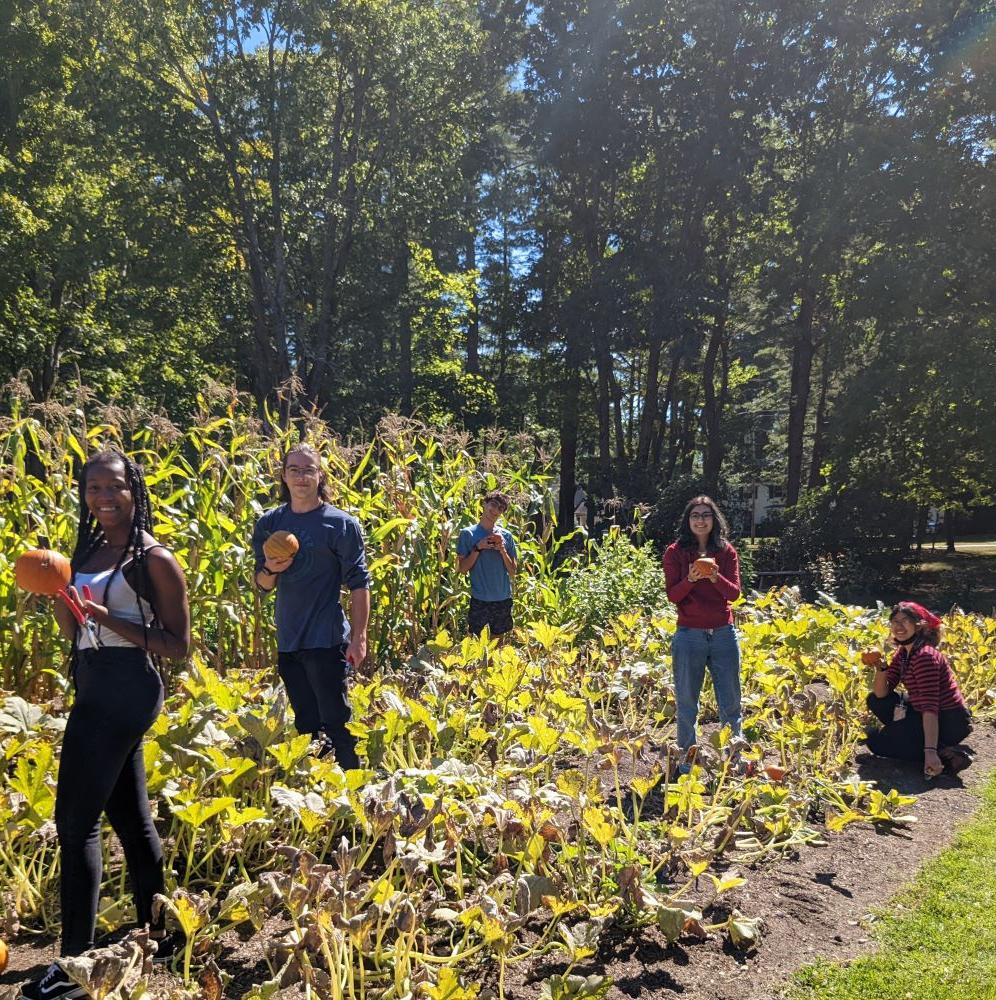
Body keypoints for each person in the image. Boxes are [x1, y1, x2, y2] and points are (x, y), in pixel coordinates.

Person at [21, 450, 191, 1000]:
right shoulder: (86, 550)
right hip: (93, 682)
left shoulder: (154, 559)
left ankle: (73, 967)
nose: (103, 498)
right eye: (93, 488)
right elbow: (76, 631)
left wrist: (105, 616)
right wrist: (60, 599)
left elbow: (177, 646)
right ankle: (160, 926)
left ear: (133, 489)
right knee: (129, 814)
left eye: (113, 487)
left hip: (129, 687)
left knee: (76, 822)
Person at [252, 443, 370, 769]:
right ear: (284, 476)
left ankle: (352, 789)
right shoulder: (269, 524)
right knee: (305, 722)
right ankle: (319, 787)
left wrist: (359, 637)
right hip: (289, 640)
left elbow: (359, 583)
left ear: (320, 475)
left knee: (337, 720)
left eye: (308, 470)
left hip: (327, 638)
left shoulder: (341, 524)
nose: (301, 477)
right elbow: (261, 585)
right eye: (294, 470)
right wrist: (271, 570)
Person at [663, 495, 743, 767]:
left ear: (714, 520)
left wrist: (714, 576)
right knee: (686, 703)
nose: (700, 520)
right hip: (689, 634)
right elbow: (673, 595)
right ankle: (687, 762)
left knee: (731, 703)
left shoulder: (726, 551)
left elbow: (734, 593)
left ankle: (734, 760)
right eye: (695, 515)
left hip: (723, 633)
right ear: (688, 520)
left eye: (705, 515)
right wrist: (690, 579)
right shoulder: (675, 552)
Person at [865, 602, 973, 777]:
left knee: (877, 744)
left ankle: (946, 755)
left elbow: (930, 708)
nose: (898, 627)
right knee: (875, 701)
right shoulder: (904, 653)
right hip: (923, 710)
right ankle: (914, 738)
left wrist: (929, 751)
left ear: (918, 625)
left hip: (950, 720)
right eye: (895, 621)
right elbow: (881, 693)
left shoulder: (925, 656)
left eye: (905, 621)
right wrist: (881, 668)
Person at [457, 491, 518, 639]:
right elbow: (462, 569)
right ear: (484, 504)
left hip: (502, 599)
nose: (495, 511)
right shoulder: (467, 534)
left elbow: (513, 571)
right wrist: (478, 547)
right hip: (480, 599)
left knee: (498, 645)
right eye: (493, 505)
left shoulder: (506, 536)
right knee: (475, 644)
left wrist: (503, 551)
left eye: (501, 508)